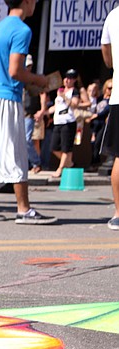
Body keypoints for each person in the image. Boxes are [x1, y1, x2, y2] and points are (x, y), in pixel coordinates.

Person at [0, 0, 55, 224]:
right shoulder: (21, 29)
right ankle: (23, 209)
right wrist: (39, 80)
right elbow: (15, 71)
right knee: (15, 152)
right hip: (7, 98)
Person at [50, 69, 89, 179]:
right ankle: (70, 163)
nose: (67, 80)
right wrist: (44, 112)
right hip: (58, 121)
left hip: (68, 121)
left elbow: (74, 104)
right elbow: (56, 106)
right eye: (66, 77)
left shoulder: (75, 91)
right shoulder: (60, 90)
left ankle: (60, 169)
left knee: (66, 147)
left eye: (70, 78)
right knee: (54, 147)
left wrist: (64, 97)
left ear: (74, 80)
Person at [100, 6, 119, 230]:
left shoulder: (113, 15)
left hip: (118, 97)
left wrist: (114, 65)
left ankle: (117, 213)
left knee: (118, 157)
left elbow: (106, 53)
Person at [23, 54, 47, 173]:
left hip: (29, 115)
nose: (28, 68)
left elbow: (42, 94)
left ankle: (36, 162)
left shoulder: (33, 80)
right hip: (17, 113)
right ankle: (24, 163)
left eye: (29, 66)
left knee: (27, 139)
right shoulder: (18, 78)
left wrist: (42, 110)